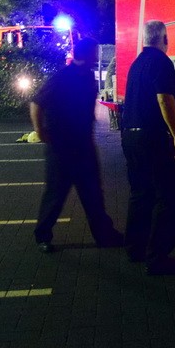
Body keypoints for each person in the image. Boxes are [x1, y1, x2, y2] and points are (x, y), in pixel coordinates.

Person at [31, 37, 123, 253]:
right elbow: (36, 102)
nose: (97, 57)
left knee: (92, 193)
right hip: (62, 147)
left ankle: (104, 235)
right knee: (56, 194)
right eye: (94, 53)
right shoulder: (63, 77)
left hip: (82, 144)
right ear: (88, 54)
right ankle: (42, 236)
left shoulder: (87, 76)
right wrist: (40, 130)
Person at [121, 20, 175, 275]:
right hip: (153, 139)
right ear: (163, 38)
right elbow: (163, 99)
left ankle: (134, 248)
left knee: (140, 193)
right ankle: (158, 258)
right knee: (168, 197)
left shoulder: (138, 63)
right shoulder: (161, 61)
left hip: (131, 136)